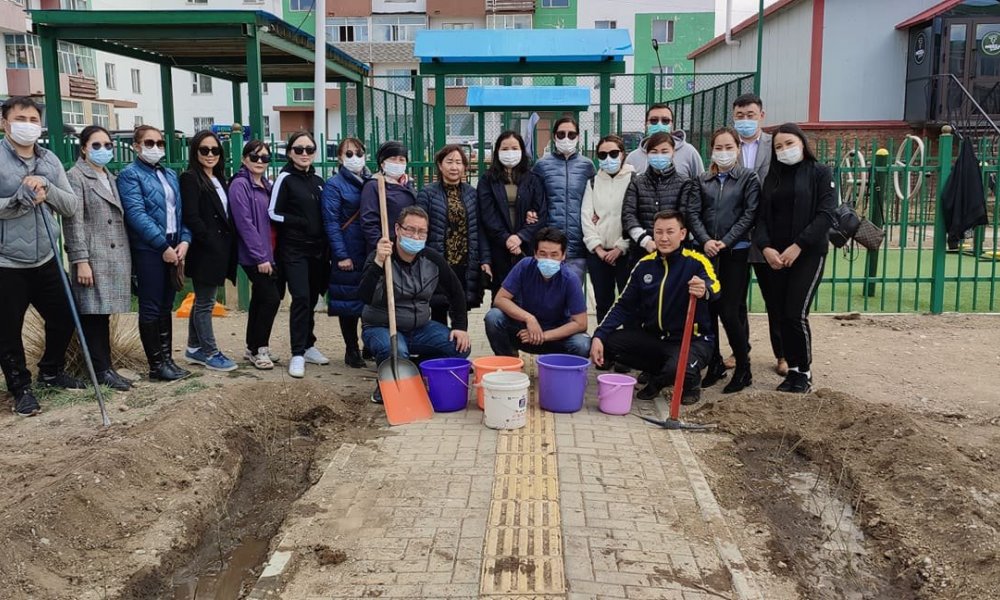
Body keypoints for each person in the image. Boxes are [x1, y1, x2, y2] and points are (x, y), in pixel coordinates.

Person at [0, 97, 84, 416]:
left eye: (34, 120)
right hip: (7, 260)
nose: (28, 125)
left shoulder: (49, 160)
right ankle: (20, 388)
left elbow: (70, 205)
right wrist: (17, 200)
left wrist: (47, 187)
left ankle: (51, 370)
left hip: (46, 256)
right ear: (5, 123)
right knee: (8, 329)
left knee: (65, 314)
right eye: (20, 119)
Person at [590, 210, 719, 404]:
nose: (664, 238)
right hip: (655, 338)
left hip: (692, 341)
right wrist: (599, 335)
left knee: (677, 368)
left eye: (670, 232)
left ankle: (682, 381)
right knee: (607, 343)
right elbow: (623, 305)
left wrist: (704, 289)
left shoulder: (696, 262)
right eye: (659, 232)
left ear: (682, 234)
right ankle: (659, 370)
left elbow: (715, 287)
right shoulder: (644, 265)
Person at [753, 123, 836, 394]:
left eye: (789, 143)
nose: (784, 149)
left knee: (795, 313)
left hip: (807, 253)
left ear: (802, 143)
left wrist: (799, 245)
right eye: (779, 146)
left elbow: (826, 214)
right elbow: (762, 218)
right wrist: (766, 248)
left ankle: (804, 372)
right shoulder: (773, 177)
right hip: (777, 256)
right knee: (780, 313)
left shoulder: (820, 173)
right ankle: (792, 370)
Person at [359, 206, 471, 404]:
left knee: (460, 348)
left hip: (419, 328)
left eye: (422, 232)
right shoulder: (382, 257)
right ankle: (386, 384)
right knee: (395, 351)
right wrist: (378, 262)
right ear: (397, 229)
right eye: (410, 230)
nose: (416, 236)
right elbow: (364, 296)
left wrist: (460, 327)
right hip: (382, 326)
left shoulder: (431, 259)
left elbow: (456, 292)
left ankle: (414, 370)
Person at [688, 127, 759, 394]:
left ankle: (743, 367)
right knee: (708, 310)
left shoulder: (748, 178)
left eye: (729, 147)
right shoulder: (702, 180)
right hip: (705, 251)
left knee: (729, 311)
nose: (724, 152)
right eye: (719, 147)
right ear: (711, 150)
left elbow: (750, 213)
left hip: (735, 251)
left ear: (738, 149)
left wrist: (726, 240)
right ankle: (715, 362)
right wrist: (705, 240)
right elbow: (693, 213)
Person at [119, 124, 192, 383]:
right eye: (149, 143)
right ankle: (156, 365)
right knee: (150, 306)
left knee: (165, 305)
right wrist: (162, 246)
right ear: (136, 146)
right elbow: (136, 214)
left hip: (173, 245)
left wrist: (184, 241)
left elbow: (180, 212)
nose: (156, 148)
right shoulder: (130, 175)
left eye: (160, 143)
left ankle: (167, 360)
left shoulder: (169, 174)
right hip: (150, 249)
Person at [64, 125, 132, 392]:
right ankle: (101, 370)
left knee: (103, 314)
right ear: (83, 148)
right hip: (93, 257)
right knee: (93, 315)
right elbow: (74, 222)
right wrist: (81, 260)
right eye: (96, 145)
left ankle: (107, 367)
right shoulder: (76, 177)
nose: (103, 150)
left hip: (113, 256)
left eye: (107, 145)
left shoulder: (109, 177)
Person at [268, 130, 330, 378]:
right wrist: (299, 222)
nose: (304, 154)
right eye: (299, 149)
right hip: (294, 250)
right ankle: (297, 353)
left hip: (318, 250)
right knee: (301, 297)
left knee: (313, 297)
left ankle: (308, 344)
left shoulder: (319, 180)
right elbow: (273, 212)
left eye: (309, 149)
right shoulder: (285, 179)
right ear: (290, 152)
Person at [733, 92, 783, 375]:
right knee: (736, 299)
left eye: (750, 115)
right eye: (740, 116)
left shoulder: (774, 145)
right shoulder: (728, 145)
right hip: (737, 234)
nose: (745, 120)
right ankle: (740, 349)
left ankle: (783, 353)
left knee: (774, 298)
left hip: (768, 234)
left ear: (761, 116)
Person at [180, 130, 237, 372]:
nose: (210, 154)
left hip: (220, 248)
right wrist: (209, 240)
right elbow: (191, 215)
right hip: (205, 250)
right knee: (206, 303)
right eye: (204, 150)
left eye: (215, 150)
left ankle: (194, 347)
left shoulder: (219, 178)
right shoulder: (190, 178)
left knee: (202, 300)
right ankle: (211, 352)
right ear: (195, 152)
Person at [484, 227, 590, 358]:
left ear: (563, 255)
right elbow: (500, 299)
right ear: (535, 253)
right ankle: (509, 360)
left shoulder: (570, 278)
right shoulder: (525, 266)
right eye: (543, 254)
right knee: (493, 317)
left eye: (554, 255)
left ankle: (560, 364)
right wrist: (529, 318)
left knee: (582, 344)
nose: (548, 259)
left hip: (556, 336)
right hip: (524, 332)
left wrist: (543, 336)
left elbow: (581, 323)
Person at [417, 144, 487, 325]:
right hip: (438, 262)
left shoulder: (472, 194)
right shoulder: (427, 193)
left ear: (464, 167)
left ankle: (460, 341)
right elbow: (420, 227)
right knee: (438, 309)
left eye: (458, 162)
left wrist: (483, 259)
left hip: (465, 262)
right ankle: (439, 342)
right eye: (449, 162)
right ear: (440, 165)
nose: (454, 167)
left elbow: (479, 228)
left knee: (460, 311)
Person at [229, 140, 282, 370]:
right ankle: (260, 348)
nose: (260, 161)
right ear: (244, 159)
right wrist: (260, 256)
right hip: (255, 254)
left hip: (270, 251)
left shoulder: (266, 184)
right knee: (270, 298)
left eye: (264, 157)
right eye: (254, 156)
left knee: (261, 298)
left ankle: (252, 347)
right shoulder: (240, 185)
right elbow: (245, 223)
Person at [477, 130, 547, 296]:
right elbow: (487, 214)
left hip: (526, 247)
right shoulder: (487, 180)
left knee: (529, 294)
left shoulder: (533, 179)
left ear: (522, 151)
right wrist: (506, 238)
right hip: (499, 247)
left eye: (515, 148)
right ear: (497, 151)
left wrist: (520, 237)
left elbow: (541, 212)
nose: (510, 153)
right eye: (505, 149)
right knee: (501, 295)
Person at [322, 137, 371, 369]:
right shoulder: (334, 185)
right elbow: (331, 222)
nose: (355, 158)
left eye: (358, 153)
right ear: (340, 158)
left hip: (368, 250)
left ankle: (369, 345)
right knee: (348, 303)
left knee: (369, 300)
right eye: (349, 154)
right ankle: (351, 349)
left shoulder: (372, 180)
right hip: (348, 249)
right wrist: (341, 254)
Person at [532, 117, 594, 283]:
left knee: (573, 292)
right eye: (561, 134)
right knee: (547, 292)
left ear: (578, 137)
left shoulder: (587, 166)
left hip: (578, 245)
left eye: (571, 134)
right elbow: (533, 199)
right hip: (549, 246)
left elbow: (595, 198)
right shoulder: (541, 165)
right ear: (554, 137)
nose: (566, 138)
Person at [581, 134, 634, 324]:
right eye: (602, 155)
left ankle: (628, 339)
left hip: (626, 253)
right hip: (599, 255)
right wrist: (598, 248)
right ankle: (603, 338)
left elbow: (635, 215)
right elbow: (586, 216)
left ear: (623, 154)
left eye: (613, 153)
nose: (608, 158)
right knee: (603, 302)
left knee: (629, 302)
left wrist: (621, 247)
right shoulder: (593, 182)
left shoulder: (634, 179)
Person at [622, 131, 696, 260]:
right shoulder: (636, 182)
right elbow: (628, 215)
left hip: (676, 253)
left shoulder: (685, 183)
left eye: (664, 151)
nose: (659, 155)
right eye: (654, 152)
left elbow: (685, 217)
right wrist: (645, 241)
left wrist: (667, 241)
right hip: (642, 251)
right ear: (647, 154)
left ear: (673, 152)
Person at [360, 140, 416, 254]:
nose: (397, 163)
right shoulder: (374, 185)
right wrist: (380, 244)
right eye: (393, 159)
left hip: (408, 245)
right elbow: (369, 221)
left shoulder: (408, 184)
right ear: (382, 163)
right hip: (387, 248)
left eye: (401, 159)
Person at [625, 103, 704, 179]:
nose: (659, 124)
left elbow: (701, 184)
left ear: (672, 125)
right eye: (654, 120)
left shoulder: (689, 153)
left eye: (665, 121)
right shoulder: (633, 158)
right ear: (646, 125)